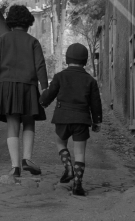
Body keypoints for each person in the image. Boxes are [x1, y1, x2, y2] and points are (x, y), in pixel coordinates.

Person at [0, 5, 48, 177]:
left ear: (10, 22)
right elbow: (40, 65)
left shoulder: (2, 40)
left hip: (6, 86)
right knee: (28, 121)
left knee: (12, 123)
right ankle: (27, 159)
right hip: (28, 86)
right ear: (28, 23)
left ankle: (15, 167)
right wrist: (45, 86)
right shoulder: (33, 42)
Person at [39, 43, 102, 196]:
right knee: (80, 152)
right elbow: (95, 102)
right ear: (85, 61)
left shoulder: (60, 77)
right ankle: (78, 185)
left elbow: (50, 94)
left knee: (60, 142)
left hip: (63, 117)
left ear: (67, 59)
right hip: (81, 119)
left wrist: (43, 100)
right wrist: (96, 120)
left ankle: (68, 167)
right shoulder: (90, 81)